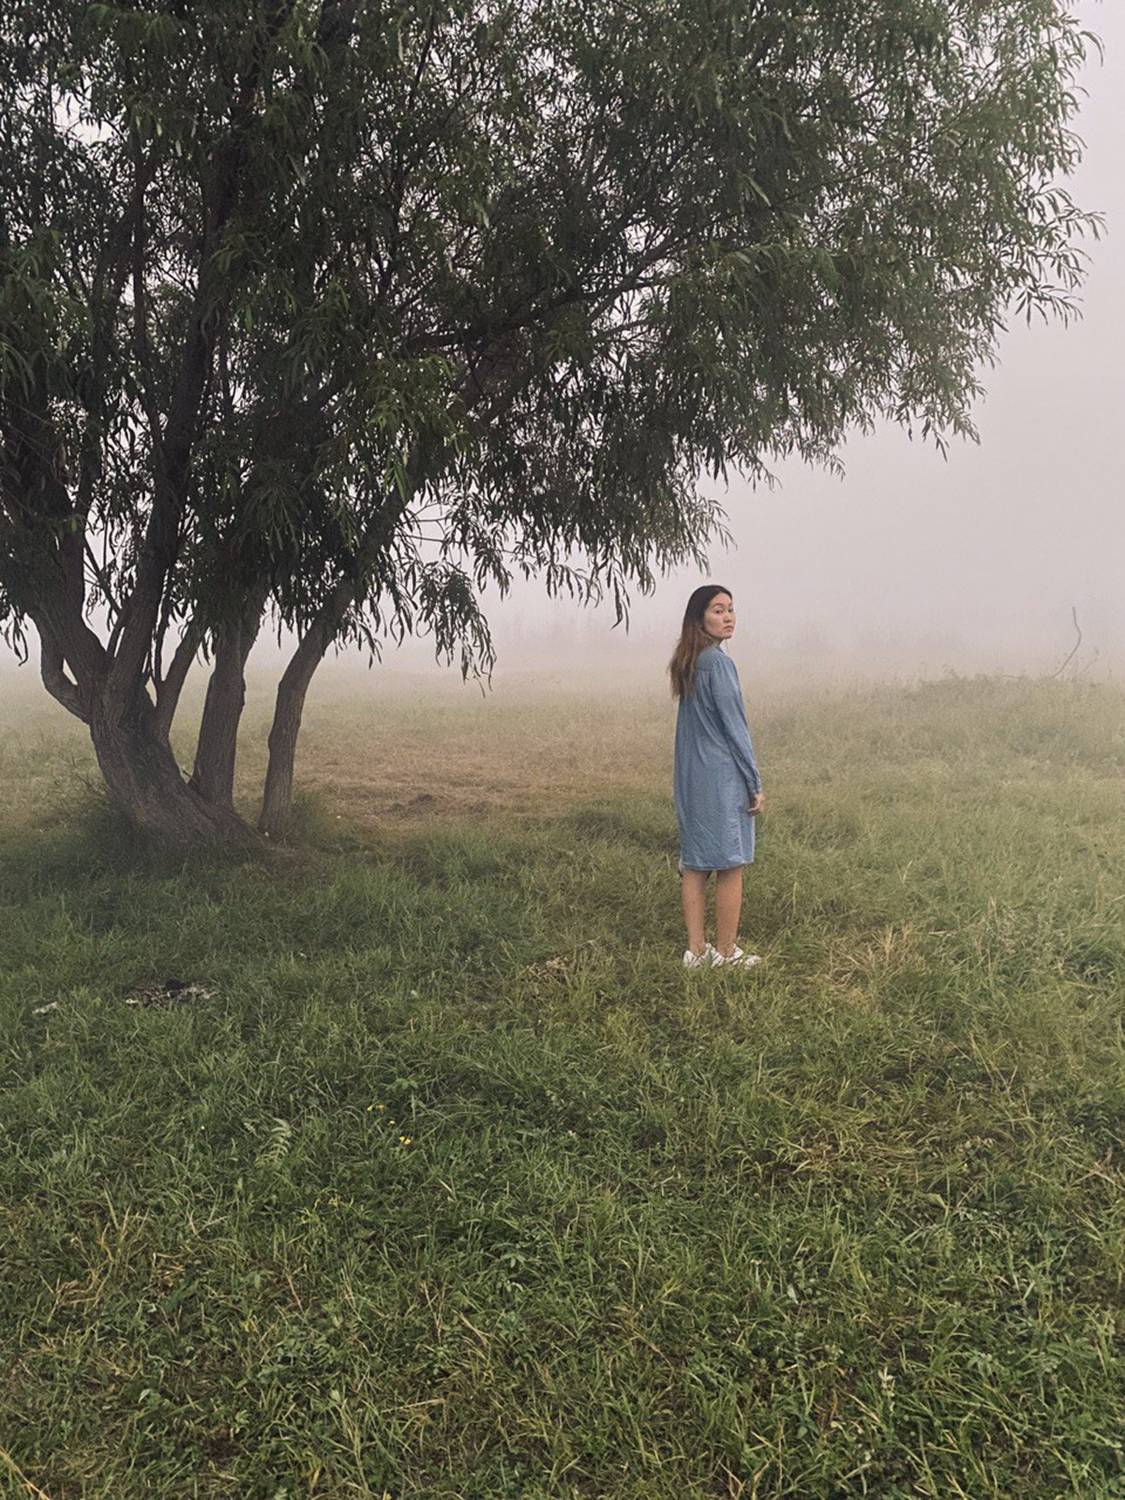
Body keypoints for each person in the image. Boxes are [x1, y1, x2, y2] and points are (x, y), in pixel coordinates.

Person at [669, 584, 765, 969]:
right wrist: (754, 782)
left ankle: (695, 952)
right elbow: (735, 728)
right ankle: (726, 952)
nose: (728, 617)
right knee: (731, 864)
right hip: (721, 776)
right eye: (718, 610)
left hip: (691, 774)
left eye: (731, 609)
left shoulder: (690, 661)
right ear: (699, 619)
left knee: (695, 864)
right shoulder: (718, 664)